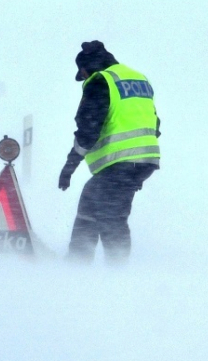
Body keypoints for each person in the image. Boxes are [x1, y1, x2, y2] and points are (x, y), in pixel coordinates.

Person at [58, 41, 161, 264]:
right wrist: (138, 165)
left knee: (111, 217)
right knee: (93, 202)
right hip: (144, 160)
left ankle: (114, 274)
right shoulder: (138, 78)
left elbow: (88, 129)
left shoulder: (101, 81)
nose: (83, 79)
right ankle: (77, 263)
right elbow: (155, 124)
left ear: (89, 67)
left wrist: (69, 167)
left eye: (83, 74)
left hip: (121, 162)